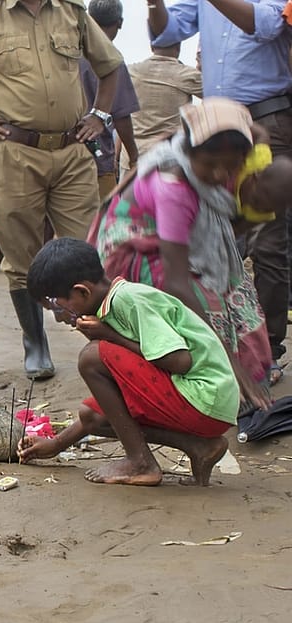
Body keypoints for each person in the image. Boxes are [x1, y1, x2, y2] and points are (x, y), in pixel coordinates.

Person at [0, 0, 123, 380]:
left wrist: (101, 115)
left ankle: (105, 343)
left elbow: (110, 65)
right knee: (20, 256)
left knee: (89, 251)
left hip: (71, 152)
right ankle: (35, 342)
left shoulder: (71, 11)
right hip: (15, 154)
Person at [88, 98, 272, 411]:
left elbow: (258, 132)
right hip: (138, 247)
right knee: (202, 305)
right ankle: (202, 385)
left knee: (238, 297)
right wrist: (231, 363)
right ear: (189, 153)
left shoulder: (230, 152)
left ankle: (246, 383)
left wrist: (258, 158)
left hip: (181, 240)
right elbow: (177, 284)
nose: (218, 175)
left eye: (230, 167)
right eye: (210, 164)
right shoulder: (173, 184)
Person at [148, 0, 292, 387]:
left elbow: (263, 25)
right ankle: (212, 348)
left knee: (267, 242)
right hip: (213, 129)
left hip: (265, 120)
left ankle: (269, 351)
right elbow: (165, 33)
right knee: (207, 241)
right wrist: (153, 3)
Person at [19, 238, 239, 487]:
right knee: (94, 414)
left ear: (82, 291)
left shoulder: (128, 300)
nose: (59, 319)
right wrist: (57, 444)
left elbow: (180, 361)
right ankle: (200, 447)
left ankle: (141, 463)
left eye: (58, 308)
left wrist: (109, 336)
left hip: (205, 396)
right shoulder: (109, 306)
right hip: (200, 404)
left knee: (91, 358)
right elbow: (105, 409)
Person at [81, 0, 140, 199]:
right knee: (99, 225)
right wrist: (133, 157)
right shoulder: (112, 60)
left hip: (60, 157)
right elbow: (121, 117)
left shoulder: (68, 53)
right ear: (120, 23)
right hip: (96, 162)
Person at [124, 43, 203, 172]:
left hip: (132, 158)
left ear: (151, 46)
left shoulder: (131, 71)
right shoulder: (187, 75)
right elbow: (217, 96)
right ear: (178, 48)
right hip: (168, 159)